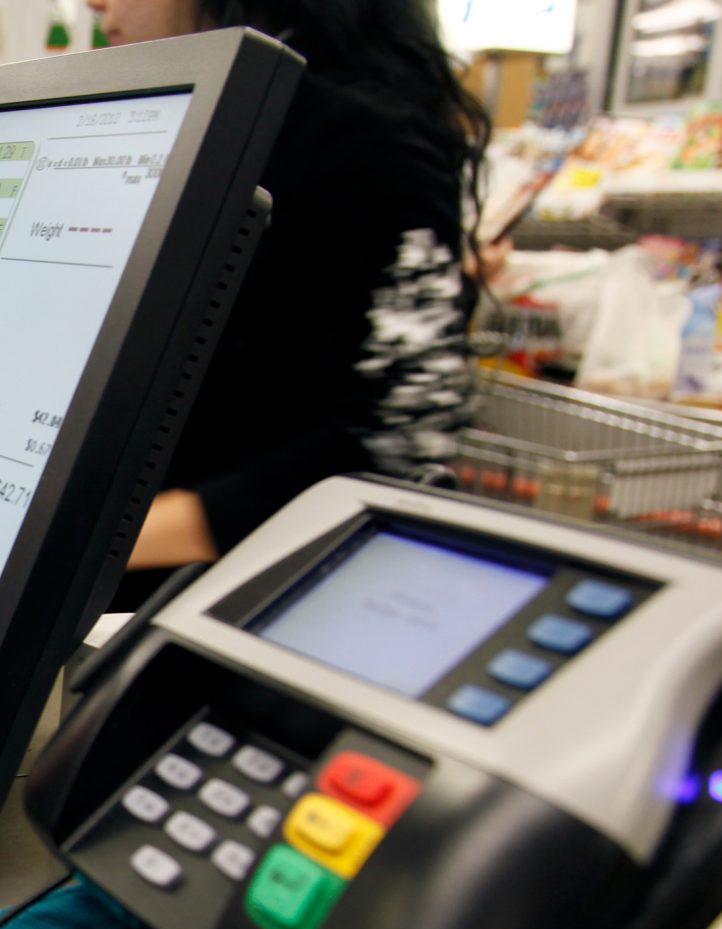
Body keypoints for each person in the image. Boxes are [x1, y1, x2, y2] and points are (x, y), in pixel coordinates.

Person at [93, 0, 486, 583]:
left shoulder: (355, 137)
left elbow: (396, 437)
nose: (94, 3)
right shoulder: (206, 113)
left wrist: (85, 550)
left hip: (233, 597)